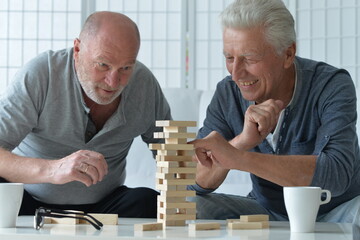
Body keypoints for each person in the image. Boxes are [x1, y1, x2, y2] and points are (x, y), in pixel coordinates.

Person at [189, 0, 360, 223]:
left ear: (288, 54)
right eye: (230, 58)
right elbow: (191, 180)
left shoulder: (331, 85)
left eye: (249, 58)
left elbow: (335, 176)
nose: (236, 74)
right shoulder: (227, 93)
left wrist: (239, 158)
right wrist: (241, 142)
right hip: (267, 211)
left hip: (335, 212)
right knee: (189, 205)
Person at [0, 11, 171, 217]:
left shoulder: (143, 83)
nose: (113, 82)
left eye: (125, 68)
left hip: (105, 207)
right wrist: (54, 169)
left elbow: (171, 153)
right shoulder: (42, 74)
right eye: (103, 65)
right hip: (28, 202)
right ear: (78, 49)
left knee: (149, 202)